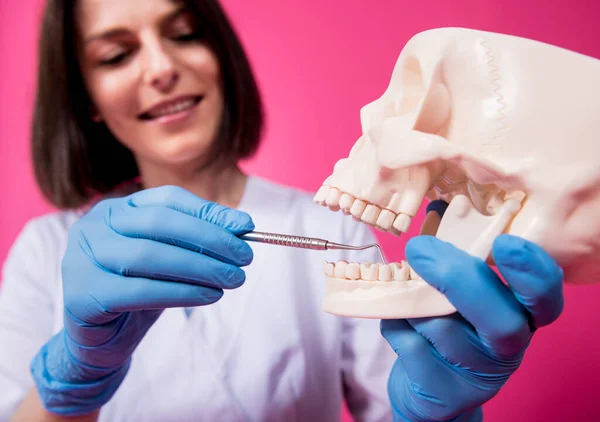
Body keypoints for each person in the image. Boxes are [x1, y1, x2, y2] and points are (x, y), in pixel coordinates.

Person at [0, 0, 565, 421]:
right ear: (87, 98)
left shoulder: (333, 229)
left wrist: (439, 413)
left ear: (221, 57)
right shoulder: (47, 250)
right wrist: (72, 378)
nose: (160, 70)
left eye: (185, 34)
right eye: (116, 54)